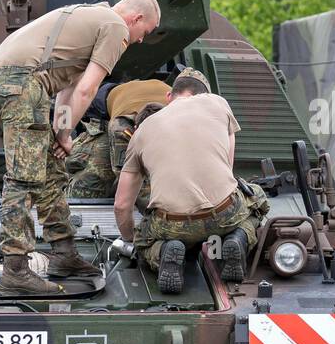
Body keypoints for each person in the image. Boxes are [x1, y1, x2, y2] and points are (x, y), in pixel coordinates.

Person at [0, 0, 161, 295]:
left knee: (51, 169)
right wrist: (65, 135)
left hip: (11, 81)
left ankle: (64, 254)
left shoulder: (86, 15)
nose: (142, 40)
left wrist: (59, 133)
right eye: (147, 32)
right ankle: (16, 269)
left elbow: (67, 88)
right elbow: (87, 90)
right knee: (22, 179)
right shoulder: (115, 26)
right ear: (137, 18)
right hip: (22, 83)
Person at [113, 69, 269, 294]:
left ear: (169, 96)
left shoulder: (142, 131)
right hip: (225, 211)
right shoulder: (218, 103)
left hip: (173, 224)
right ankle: (239, 238)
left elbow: (121, 205)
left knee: (143, 240)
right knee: (257, 196)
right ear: (203, 94)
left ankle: (164, 250)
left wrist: (131, 238)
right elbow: (228, 168)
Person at [67, 78, 171, 198]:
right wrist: (157, 211)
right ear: (136, 129)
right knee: (95, 182)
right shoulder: (121, 127)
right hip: (103, 109)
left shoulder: (181, 120)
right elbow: (127, 178)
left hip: (137, 95)